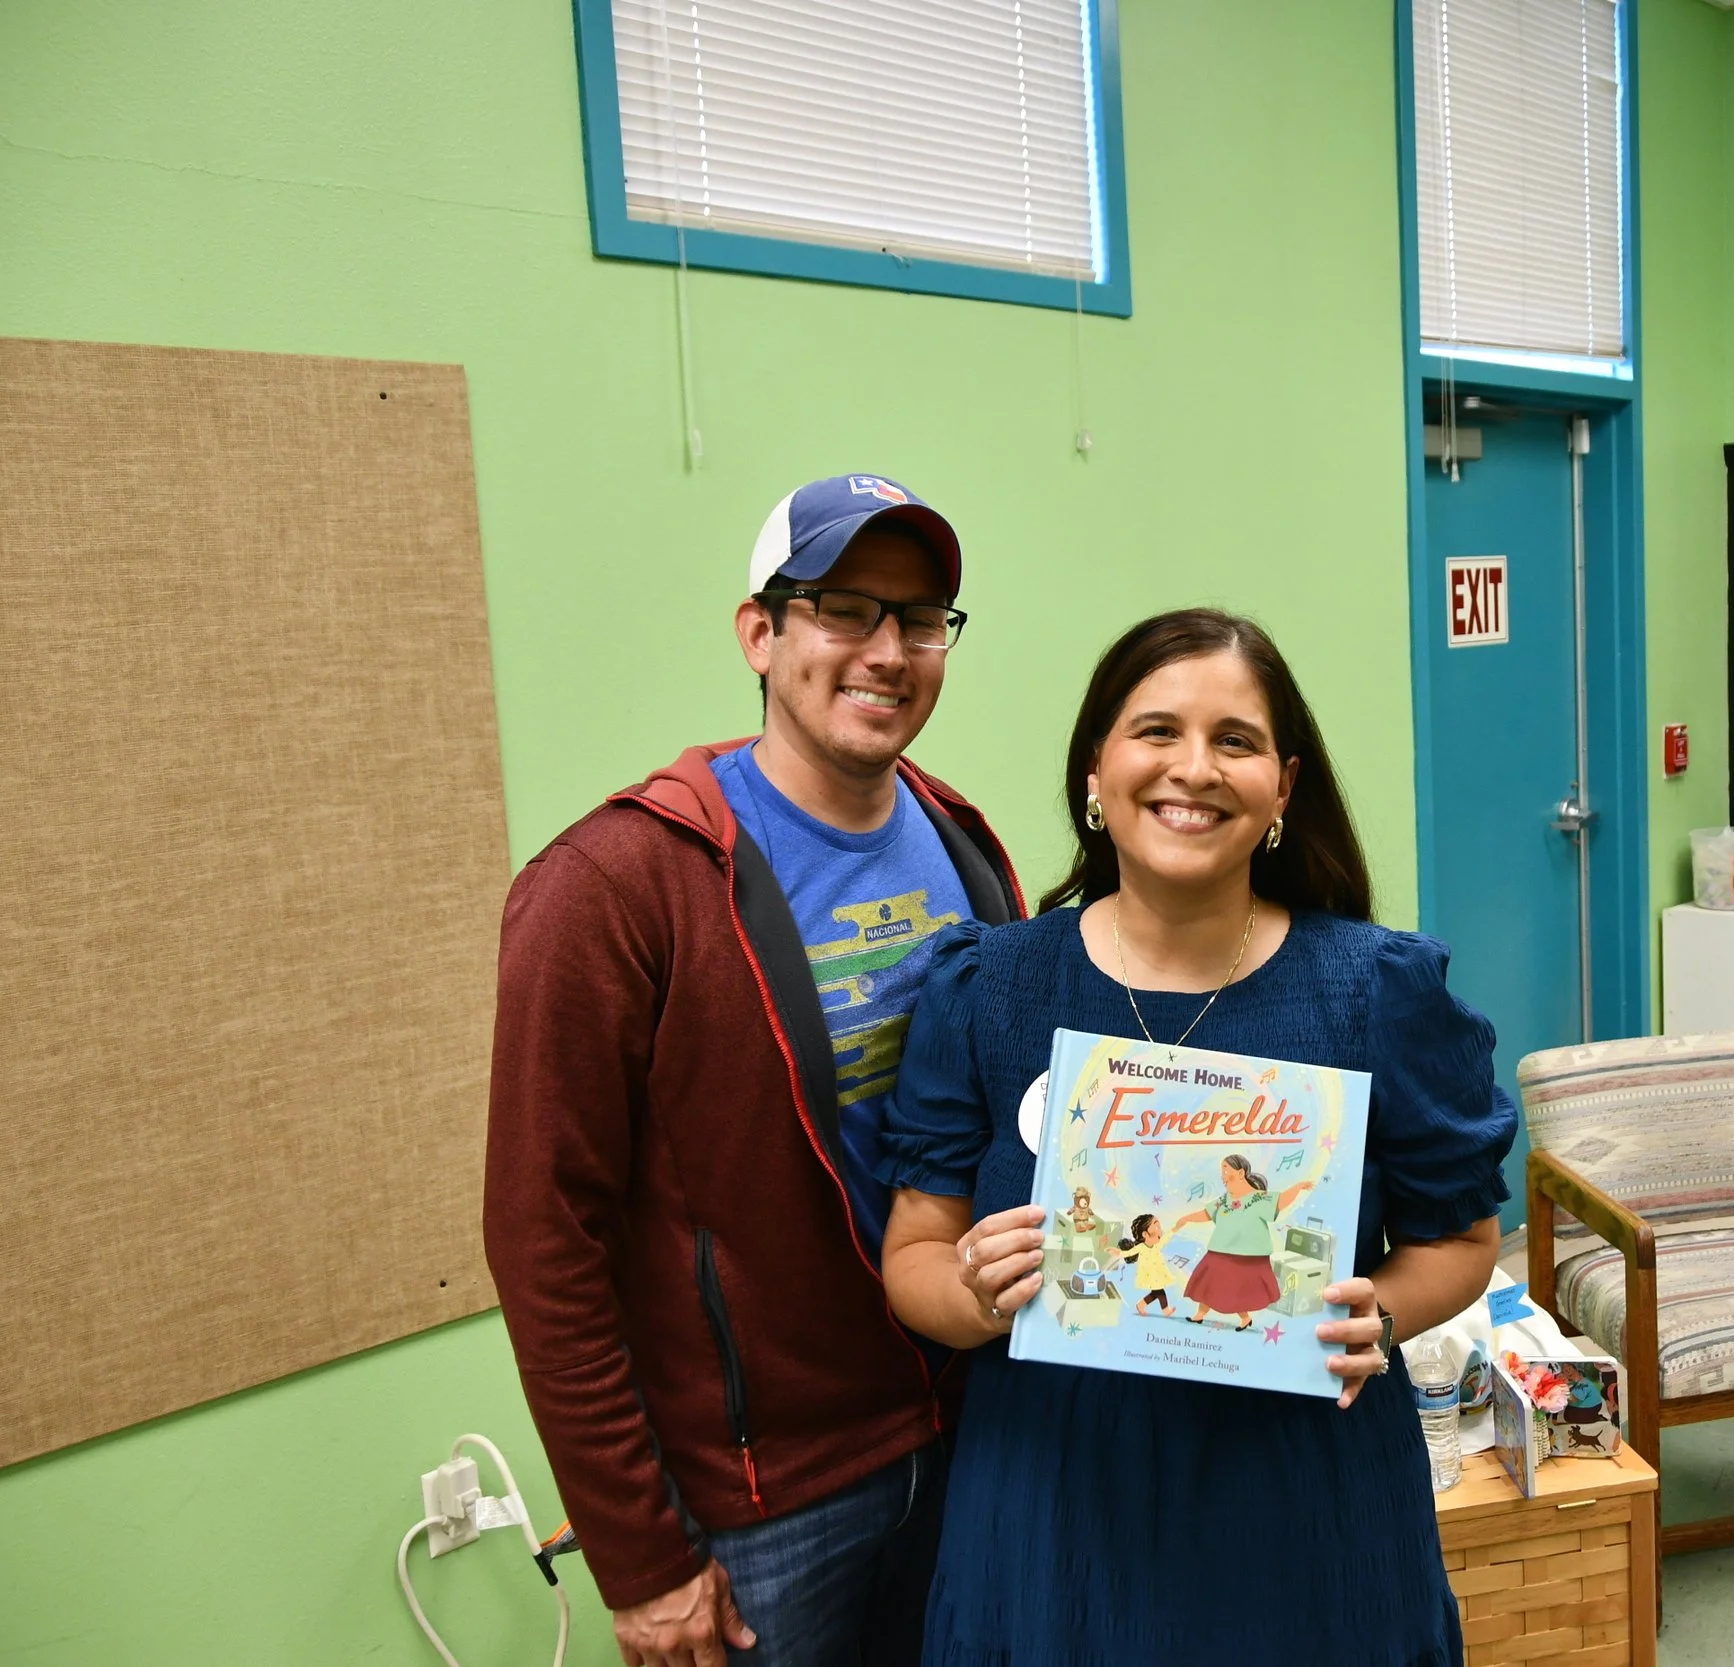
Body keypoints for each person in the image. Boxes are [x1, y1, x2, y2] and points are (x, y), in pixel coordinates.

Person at [879, 608, 1515, 1666]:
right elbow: (912, 1258)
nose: (1193, 768)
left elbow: (1461, 1238)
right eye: (1156, 730)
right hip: (1054, 1512)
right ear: (1096, 768)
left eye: (1236, 740)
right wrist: (976, 1291)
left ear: (1283, 785)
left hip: (1305, 1503)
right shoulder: (989, 989)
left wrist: (1383, 1311)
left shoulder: (1374, 988)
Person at [484, 474, 1023, 1667]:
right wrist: (640, 1554)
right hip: (758, 1507)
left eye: (922, 616)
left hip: (969, 1433)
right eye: (844, 607)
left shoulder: (966, 843)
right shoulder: (614, 886)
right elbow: (542, 1238)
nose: (888, 649)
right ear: (760, 633)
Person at [1167, 1156, 1314, 1328]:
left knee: (1238, 1290)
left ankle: (1244, 1318)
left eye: (1226, 1168)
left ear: (1241, 1173)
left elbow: (1280, 1201)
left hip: (1249, 1256)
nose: (1223, 1174)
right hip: (1219, 1251)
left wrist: (1297, 1187)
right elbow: (1207, 1214)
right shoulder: (1224, 1200)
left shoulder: (1260, 1198)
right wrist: (1186, 1218)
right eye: (1222, 1169)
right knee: (1209, 1283)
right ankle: (1200, 1314)